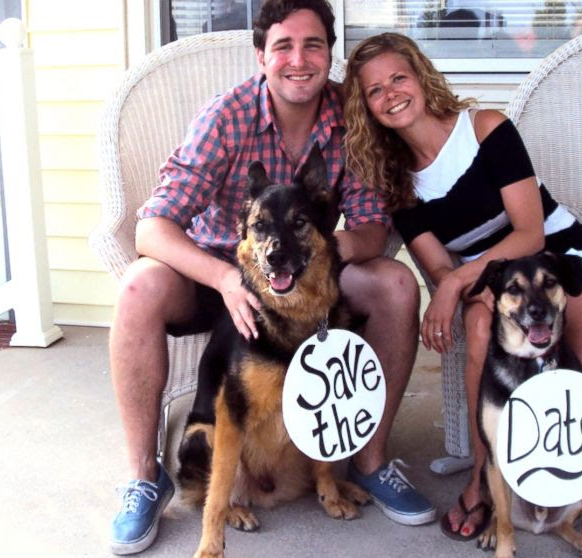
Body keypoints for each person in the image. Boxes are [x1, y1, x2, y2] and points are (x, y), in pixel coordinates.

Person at [108, 3, 436, 555]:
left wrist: (318, 259)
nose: (298, 60)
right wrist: (226, 278)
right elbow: (153, 228)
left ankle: (369, 458)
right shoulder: (227, 117)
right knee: (140, 285)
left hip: (307, 278)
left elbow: (372, 229)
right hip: (218, 275)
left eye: (312, 45)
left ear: (329, 54)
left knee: (396, 284)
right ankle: (145, 475)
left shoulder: (350, 117)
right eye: (283, 46)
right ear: (261, 56)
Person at [343, 32, 582, 541]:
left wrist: (457, 281)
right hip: (493, 279)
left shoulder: (485, 129)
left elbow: (530, 232)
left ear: (420, 76)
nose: (390, 94)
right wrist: (456, 286)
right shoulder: (397, 182)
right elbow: (437, 267)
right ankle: (484, 477)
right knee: (479, 338)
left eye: (398, 78)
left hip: (560, 258)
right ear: (366, 107)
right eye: (374, 90)